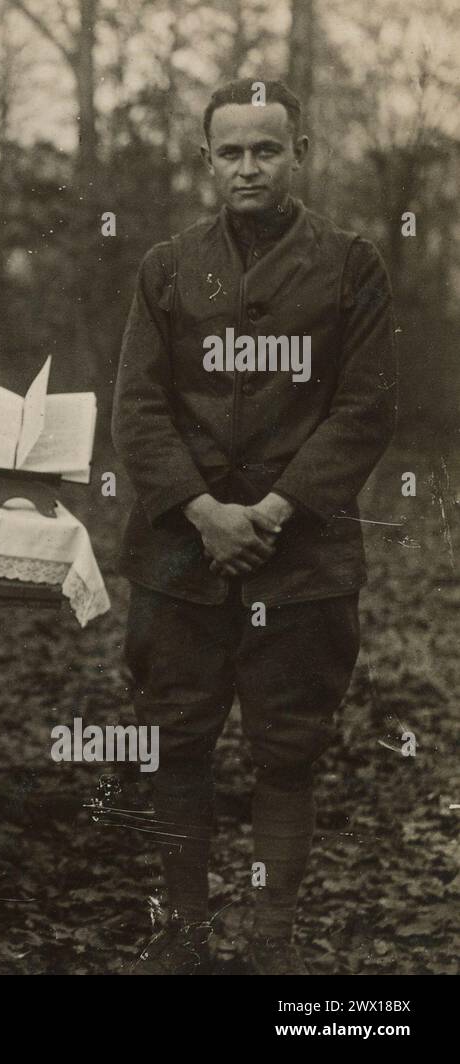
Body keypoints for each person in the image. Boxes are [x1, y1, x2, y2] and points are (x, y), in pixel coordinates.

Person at [112, 78, 396, 974]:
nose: (247, 167)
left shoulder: (353, 267)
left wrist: (272, 511)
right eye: (230, 152)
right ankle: (184, 935)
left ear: (299, 155)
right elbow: (138, 408)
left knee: (288, 747)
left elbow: (364, 408)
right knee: (178, 738)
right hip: (179, 557)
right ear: (206, 162)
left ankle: (273, 944)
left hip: (301, 557)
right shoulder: (165, 267)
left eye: (266, 149)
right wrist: (202, 512)